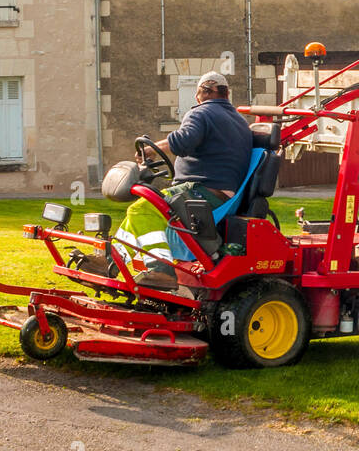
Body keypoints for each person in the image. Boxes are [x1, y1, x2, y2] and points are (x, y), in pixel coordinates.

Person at [108, 71, 254, 289]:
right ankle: (109, 263)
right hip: (220, 195)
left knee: (141, 210)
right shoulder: (239, 120)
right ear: (227, 94)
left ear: (199, 95)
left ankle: (160, 270)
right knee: (140, 214)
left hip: (200, 191)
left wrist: (151, 150)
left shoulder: (201, 113)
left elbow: (184, 140)